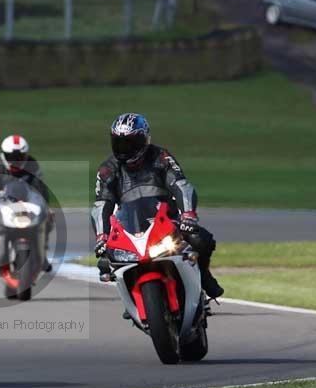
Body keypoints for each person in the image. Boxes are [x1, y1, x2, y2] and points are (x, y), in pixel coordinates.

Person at [91, 113, 224, 299]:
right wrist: (101, 237)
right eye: (119, 143)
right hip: (130, 227)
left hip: (167, 220)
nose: (124, 149)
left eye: (131, 143)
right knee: (105, 263)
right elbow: (101, 205)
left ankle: (203, 277)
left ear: (144, 139)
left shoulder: (161, 157)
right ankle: (133, 297)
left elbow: (181, 186)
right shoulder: (107, 169)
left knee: (200, 240)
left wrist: (188, 215)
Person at [0, 134, 53, 270]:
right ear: (4, 155)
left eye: (19, 157)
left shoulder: (32, 164)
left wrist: (46, 208)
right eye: (11, 157)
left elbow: (41, 187)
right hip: (3, 201)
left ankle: (42, 253)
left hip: (27, 201)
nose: (15, 161)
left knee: (47, 220)